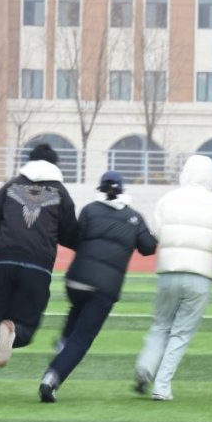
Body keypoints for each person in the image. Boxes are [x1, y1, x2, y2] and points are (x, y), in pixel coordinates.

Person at [0, 143, 79, 402]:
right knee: (26, 325)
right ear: (54, 165)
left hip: (4, 263)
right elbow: (71, 234)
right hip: (38, 267)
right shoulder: (60, 192)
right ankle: (14, 335)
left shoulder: (10, 186)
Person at [39, 171, 157, 402]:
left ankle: (63, 344)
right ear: (123, 190)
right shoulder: (134, 217)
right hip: (105, 287)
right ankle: (52, 378)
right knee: (82, 338)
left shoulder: (90, 210)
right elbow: (148, 248)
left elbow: (77, 238)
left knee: (77, 308)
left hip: (76, 280)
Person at [134, 155, 212, 401]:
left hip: (169, 271)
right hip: (201, 275)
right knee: (181, 333)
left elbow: (157, 232)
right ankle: (162, 386)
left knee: (160, 324)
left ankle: (146, 366)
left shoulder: (168, 199)